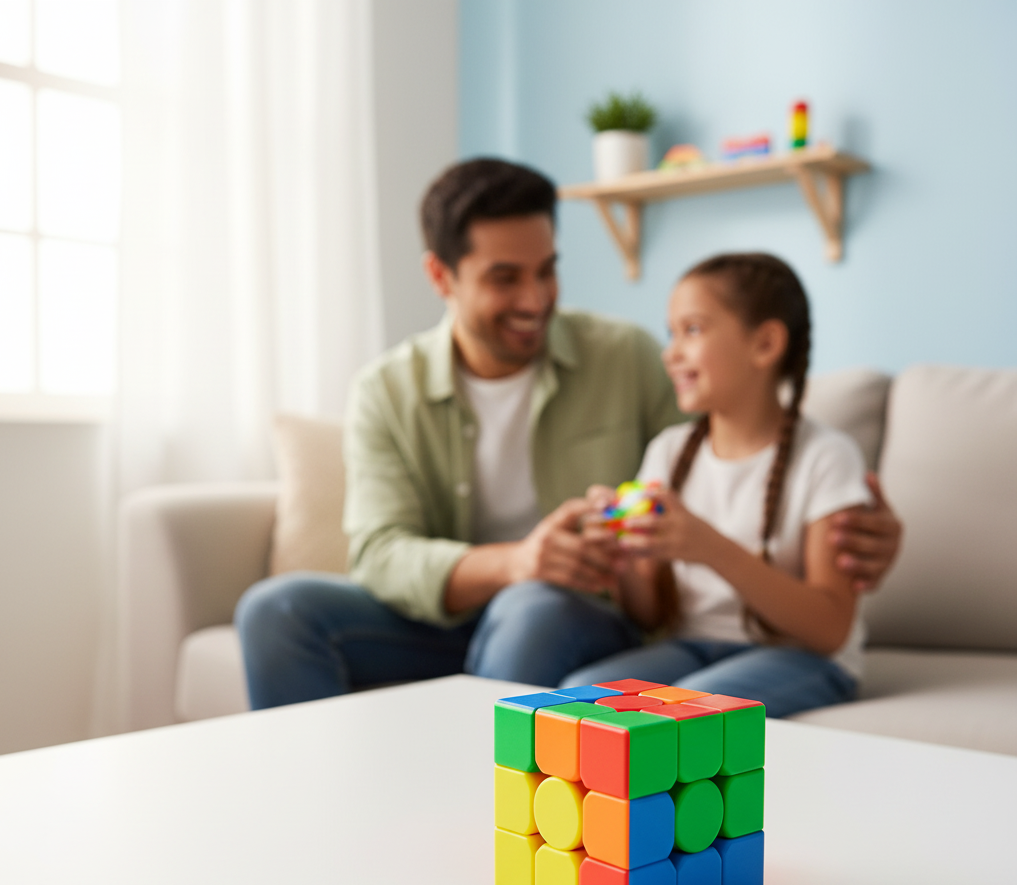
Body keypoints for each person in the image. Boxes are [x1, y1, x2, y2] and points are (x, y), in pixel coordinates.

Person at [236, 159, 901, 709]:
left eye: (546, 269)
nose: (535, 298)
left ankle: (492, 813)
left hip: (562, 616)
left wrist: (863, 529)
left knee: (534, 609)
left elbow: (738, 463)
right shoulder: (386, 391)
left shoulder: (626, 357)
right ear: (441, 276)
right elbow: (379, 555)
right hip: (446, 615)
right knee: (275, 611)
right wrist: (517, 561)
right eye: (505, 277)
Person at [561, 253, 873, 717]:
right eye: (671, 333)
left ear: (765, 344)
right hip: (689, 646)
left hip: (804, 657)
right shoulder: (667, 453)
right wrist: (619, 556)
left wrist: (710, 547)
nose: (670, 353)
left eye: (692, 330)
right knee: (576, 697)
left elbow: (830, 629)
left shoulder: (827, 457)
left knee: (682, 714)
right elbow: (649, 615)